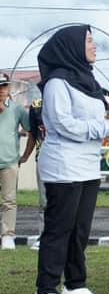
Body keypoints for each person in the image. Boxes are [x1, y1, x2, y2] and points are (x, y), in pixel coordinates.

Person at [31, 25, 109, 294]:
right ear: (71, 47)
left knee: (80, 231)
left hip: (87, 166)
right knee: (59, 230)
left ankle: (75, 286)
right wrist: (106, 127)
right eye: (89, 41)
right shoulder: (58, 82)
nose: (95, 47)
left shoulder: (87, 81)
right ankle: (45, 293)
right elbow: (61, 124)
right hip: (63, 167)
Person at [0, 73, 31, 250]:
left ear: (9, 88)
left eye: (4, 86)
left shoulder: (17, 109)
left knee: (9, 200)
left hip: (9, 161)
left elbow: (30, 129)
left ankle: (7, 235)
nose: (1, 90)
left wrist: (25, 155)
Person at [20, 99, 46, 250]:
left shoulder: (69, 101)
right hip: (42, 157)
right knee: (44, 201)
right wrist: (25, 156)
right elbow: (33, 134)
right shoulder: (36, 106)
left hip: (65, 159)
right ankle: (43, 236)